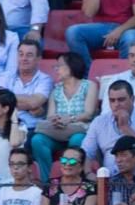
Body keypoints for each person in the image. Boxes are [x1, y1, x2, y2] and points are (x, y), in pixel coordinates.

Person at [29, 52, 98, 183]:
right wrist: (55, 120)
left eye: (59, 66)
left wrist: (70, 119)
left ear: (71, 66)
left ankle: (79, 180)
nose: (56, 69)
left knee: (76, 140)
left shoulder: (89, 85)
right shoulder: (56, 90)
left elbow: (89, 113)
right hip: (58, 132)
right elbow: (50, 115)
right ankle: (47, 183)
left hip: (79, 130)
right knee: (37, 140)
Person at [82, 80, 135, 175]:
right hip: (110, 178)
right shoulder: (99, 122)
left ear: (132, 99)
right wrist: (88, 173)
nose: (116, 104)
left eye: (121, 100)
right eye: (112, 100)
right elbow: (86, 152)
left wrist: (125, 128)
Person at [0, 38, 53, 134]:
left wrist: (8, 101)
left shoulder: (45, 79)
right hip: (5, 125)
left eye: (29, 55)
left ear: (38, 59)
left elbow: (35, 102)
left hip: (31, 128)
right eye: (21, 54)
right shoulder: (6, 76)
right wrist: (28, 105)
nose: (24, 59)